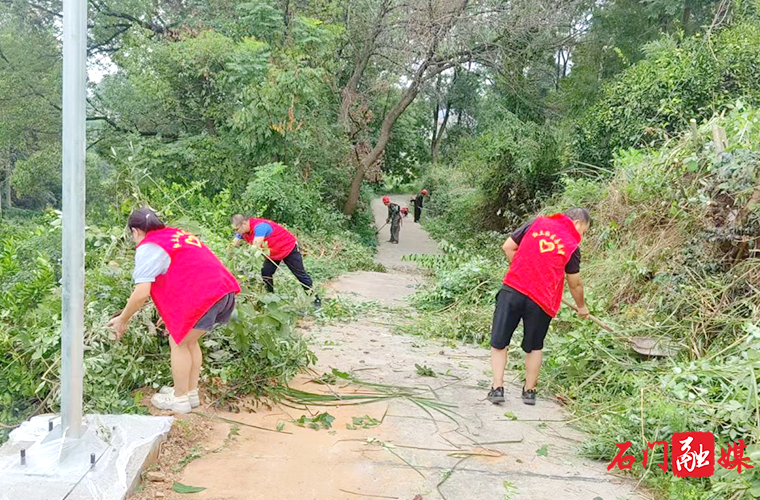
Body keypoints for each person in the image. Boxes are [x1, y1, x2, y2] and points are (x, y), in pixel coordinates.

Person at [108, 208, 240, 413]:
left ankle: (179, 400)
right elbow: (188, 271)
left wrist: (122, 319)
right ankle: (190, 393)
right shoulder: (176, 234)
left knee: (178, 341)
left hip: (205, 295)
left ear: (135, 231)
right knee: (190, 340)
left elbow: (141, 293)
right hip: (222, 290)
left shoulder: (149, 246)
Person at [487, 208, 592, 406]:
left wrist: (523, 269)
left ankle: (497, 387)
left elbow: (508, 247)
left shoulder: (536, 223)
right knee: (534, 347)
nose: (581, 236)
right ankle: (529, 391)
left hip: (513, 290)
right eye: (584, 232)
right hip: (541, 299)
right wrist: (582, 307)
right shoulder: (571, 245)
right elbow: (575, 283)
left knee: (500, 341)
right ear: (577, 223)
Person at [230, 214, 318, 305]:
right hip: (273, 253)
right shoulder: (242, 231)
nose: (237, 232)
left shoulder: (260, 227)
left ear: (244, 223)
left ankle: (315, 298)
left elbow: (255, 247)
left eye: (237, 229)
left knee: (300, 275)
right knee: (266, 273)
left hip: (288, 248)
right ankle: (270, 297)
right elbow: (233, 245)